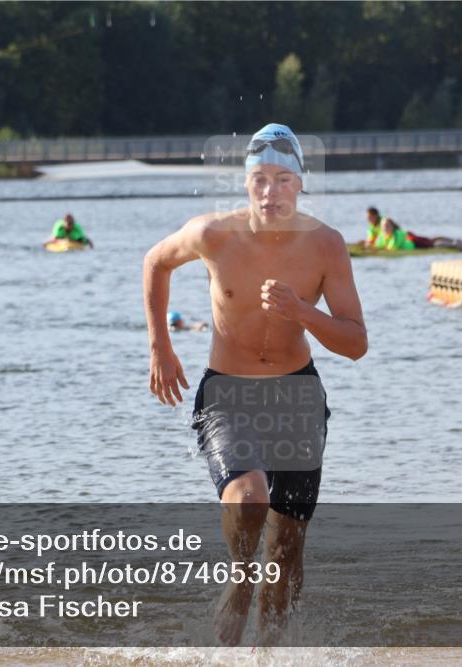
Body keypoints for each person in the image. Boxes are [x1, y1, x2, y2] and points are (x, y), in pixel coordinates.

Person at [143, 123, 366, 646]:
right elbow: (155, 262)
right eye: (260, 179)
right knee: (248, 500)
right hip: (229, 393)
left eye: (284, 179)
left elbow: (356, 343)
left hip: (298, 398)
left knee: (287, 548)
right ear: (245, 183)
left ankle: (268, 655)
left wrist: (303, 312)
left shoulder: (327, 246)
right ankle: (240, 577)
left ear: (302, 184)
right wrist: (161, 347)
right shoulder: (212, 235)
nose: (271, 192)